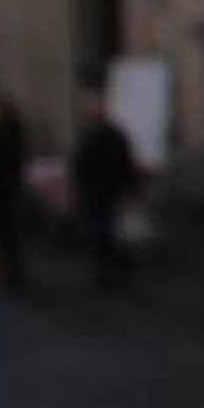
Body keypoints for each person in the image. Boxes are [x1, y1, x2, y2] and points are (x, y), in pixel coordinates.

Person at [69, 88, 139, 289]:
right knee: (103, 229)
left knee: (103, 230)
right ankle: (108, 269)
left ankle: (107, 270)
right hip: (100, 189)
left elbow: (121, 162)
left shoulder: (102, 136)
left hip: (102, 189)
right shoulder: (105, 135)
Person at [0, 95, 28, 292]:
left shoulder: (4, 135)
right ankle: (9, 275)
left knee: (4, 236)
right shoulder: (8, 133)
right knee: (6, 236)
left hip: (2, 190)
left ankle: (8, 276)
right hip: (5, 189)